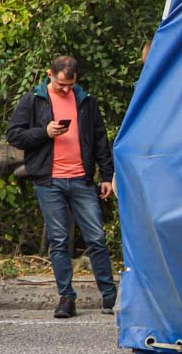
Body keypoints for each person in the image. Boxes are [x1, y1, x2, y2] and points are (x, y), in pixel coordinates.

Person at [6, 56, 117, 318]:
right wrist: (44, 132)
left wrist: (106, 176)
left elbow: (100, 139)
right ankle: (66, 298)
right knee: (59, 240)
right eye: (60, 84)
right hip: (49, 180)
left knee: (97, 238)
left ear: (76, 78)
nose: (65, 89)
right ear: (49, 75)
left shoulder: (86, 100)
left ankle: (110, 296)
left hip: (81, 179)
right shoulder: (33, 99)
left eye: (70, 84)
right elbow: (14, 135)